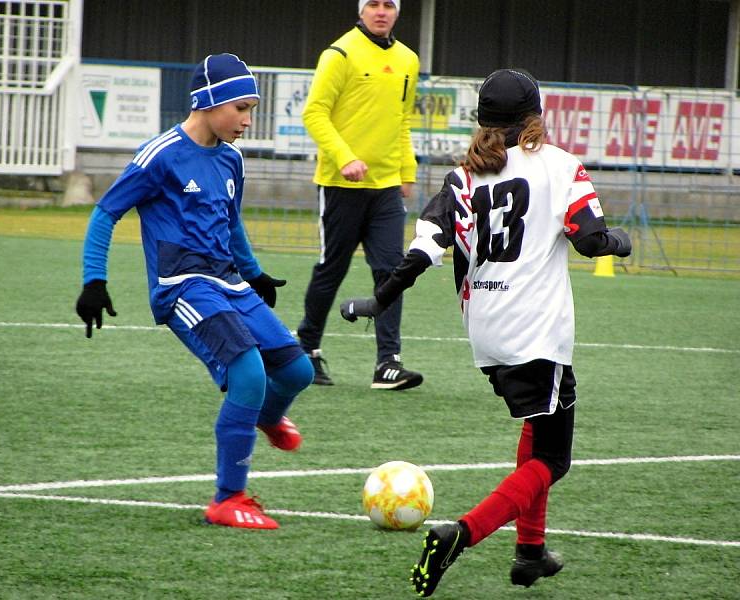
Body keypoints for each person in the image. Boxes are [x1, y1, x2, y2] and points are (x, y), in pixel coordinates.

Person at [339, 68, 632, 595]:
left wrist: (375, 301)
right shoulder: (562, 167)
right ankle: (462, 533)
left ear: (481, 121)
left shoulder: (462, 178)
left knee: (536, 426)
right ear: (534, 117)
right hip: (537, 332)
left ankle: (529, 553)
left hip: (487, 335)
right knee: (553, 458)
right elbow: (588, 240)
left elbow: (421, 254)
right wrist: (619, 242)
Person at [75, 53, 314, 530]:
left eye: (252, 109)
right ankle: (228, 498)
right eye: (241, 109)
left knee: (296, 371)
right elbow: (105, 214)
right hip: (181, 286)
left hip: (228, 282)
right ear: (208, 102)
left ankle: (265, 417)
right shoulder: (160, 156)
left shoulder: (231, 158)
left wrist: (254, 273)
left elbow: (231, 222)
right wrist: (93, 281)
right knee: (248, 373)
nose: (248, 121)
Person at [296, 0, 423, 390]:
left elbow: (401, 119)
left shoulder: (407, 60)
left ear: (398, 12)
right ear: (361, 10)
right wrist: (345, 157)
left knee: (392, 271)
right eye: (373, 4)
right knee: (330, 270)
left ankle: (388, 363)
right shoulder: (339, 53)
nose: (381, 11)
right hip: (339, 185)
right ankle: (307, 352)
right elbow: (314, 113)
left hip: (385, 188)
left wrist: (406, 170)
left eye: (389, 5)